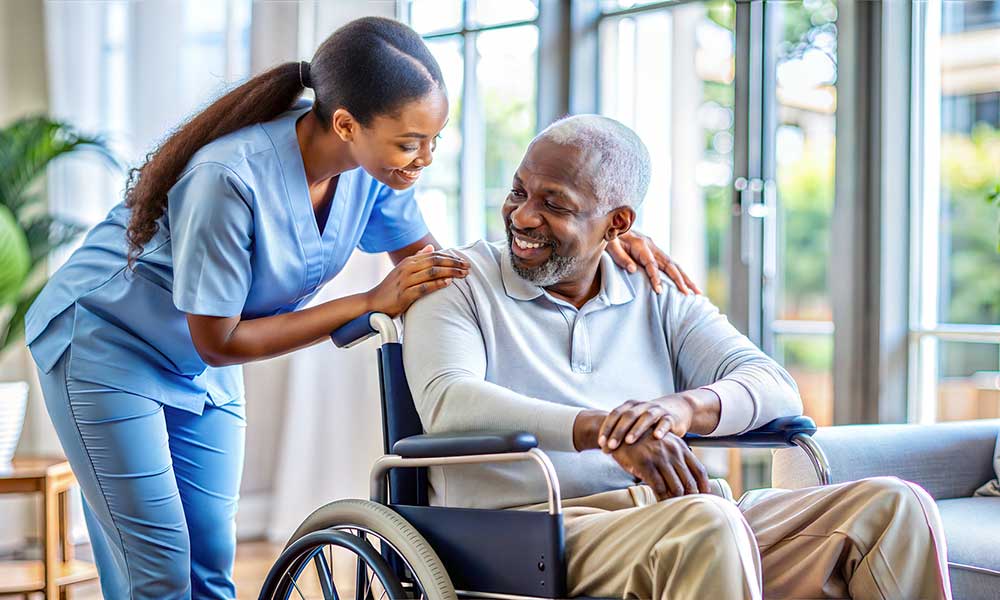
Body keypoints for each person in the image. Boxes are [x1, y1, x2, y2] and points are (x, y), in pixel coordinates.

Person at [24, 18, 695, 600]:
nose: (425, 159)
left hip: (196, 365)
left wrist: (597, 239)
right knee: (161, 573)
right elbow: (220, 340)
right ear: (346, 124)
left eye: (434, 140)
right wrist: (370, 301)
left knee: (211, 567)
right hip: (106, 347)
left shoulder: (378, 175)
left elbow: (449, 272)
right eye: (411, 142)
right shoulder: (228, 177)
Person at [402, 114, 953, 600]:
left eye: (554, 205)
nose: (522, 217)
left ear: (617, 224)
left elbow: (775, 385)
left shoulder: (654, 289)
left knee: (894, 507)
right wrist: (607, 430)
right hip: (526, 530)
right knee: (705, 523)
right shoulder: (456, 280)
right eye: (518, 191)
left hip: (673, 516)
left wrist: (679, 411)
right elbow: (451, 401)